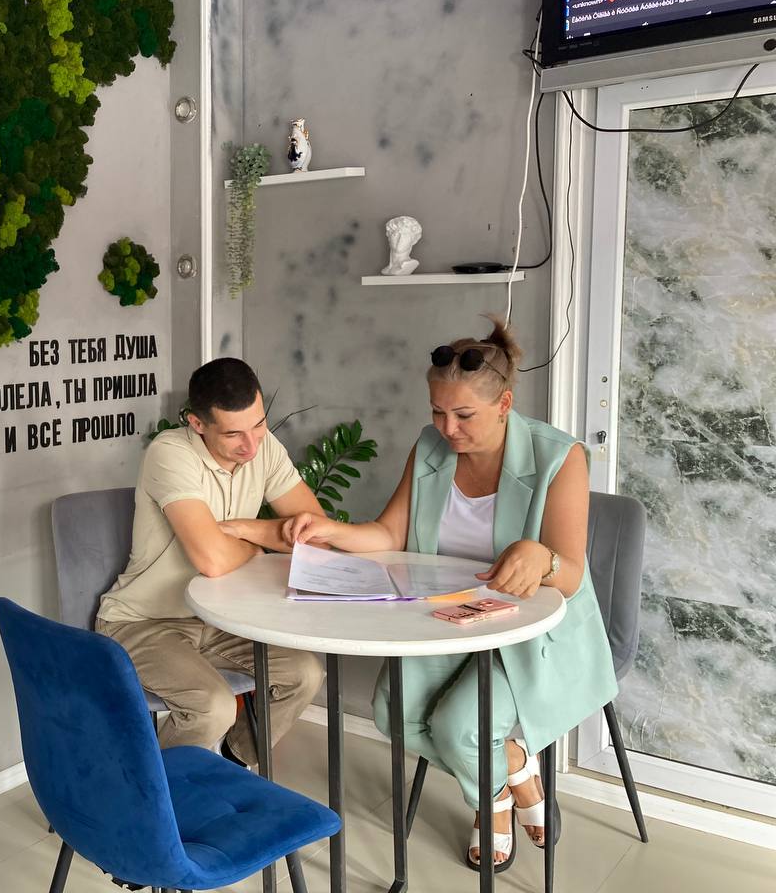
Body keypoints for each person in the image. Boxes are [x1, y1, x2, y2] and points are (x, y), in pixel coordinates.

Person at [284, 319, 616, 872]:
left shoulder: (560, 458)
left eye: (464, 415)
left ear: (504, 403)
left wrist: (543, 558)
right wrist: (329, 530)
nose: (448, 428)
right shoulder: (430, 447)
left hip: (528, 631)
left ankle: (491, 806)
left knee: (461, 728)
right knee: (393, 715)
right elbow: (389, 534)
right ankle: (512, 770)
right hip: (450, 619)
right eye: (438, 412)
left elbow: (572, 575)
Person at [96, 358, 326, 768]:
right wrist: (259, 547)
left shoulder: (264, 447)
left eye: (258, 425)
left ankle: (232, 764)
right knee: (213, 707)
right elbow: (212, 561)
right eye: (234, 434)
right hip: (143, 622)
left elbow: (315, 534)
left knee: (305, 673)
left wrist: (246, 530)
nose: (251, 445)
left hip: (218, 620)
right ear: (197, 423)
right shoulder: (170, 452)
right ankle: (145, 793)